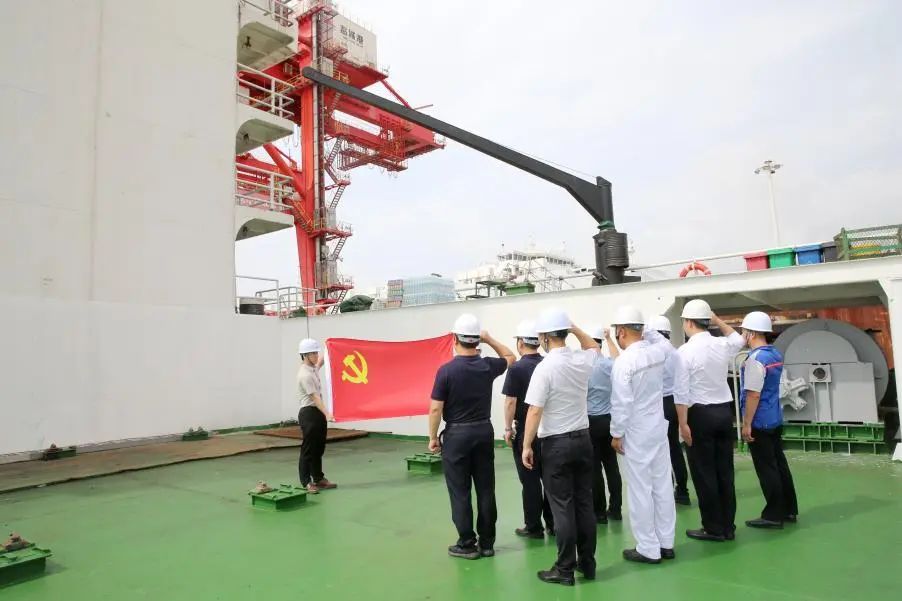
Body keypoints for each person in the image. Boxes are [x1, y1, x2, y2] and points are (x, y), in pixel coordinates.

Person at [522, 308, 598, 586]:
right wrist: (574, 327)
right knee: (584, 504)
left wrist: (526, 445)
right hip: (583, 440)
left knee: (562, 507)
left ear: (544, 338)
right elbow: (593, 346)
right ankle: (587, 563)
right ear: (565, 333)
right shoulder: (581, 360)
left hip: (556, 444)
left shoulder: (545, 368)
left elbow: (534, 411)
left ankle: (564, 568)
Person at [429, 313, 515, 560]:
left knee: (460, 491)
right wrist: (489, 339)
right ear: (476, 340)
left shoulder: (446, 371)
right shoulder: (487, 366)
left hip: (457, 435)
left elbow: (436, 409)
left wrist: (433, 437)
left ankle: (467, 543)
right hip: (483, 432)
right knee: (486, 489)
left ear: (455, 338)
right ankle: (487, 543)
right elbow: (510, 357)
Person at [609, 306, 678, 564]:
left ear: (621, 331)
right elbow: (667, 346)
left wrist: (616, 434)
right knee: (662, 486)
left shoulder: (624, 362)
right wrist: (646, 330)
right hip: (658, 428)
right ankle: (666, 542)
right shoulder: (657, 353)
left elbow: (621, 403)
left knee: (640, 490)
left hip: (636, 432)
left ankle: (648, 548)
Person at [674, 299, 745, 542]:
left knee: (704, 474)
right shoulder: (721, 344)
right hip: (724, 413)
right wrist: (717, 320)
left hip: (700, 416)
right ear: (707, 321)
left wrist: (683, 423)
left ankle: (713, 528)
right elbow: (739, 339)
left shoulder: (684, 352)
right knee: (725, 472)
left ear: (688, 322)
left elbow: (681, 392)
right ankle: (728, 526)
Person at [739, 311, 799, 529]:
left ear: (752, 333)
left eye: (744, 331)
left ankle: (773, 515)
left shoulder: (755, 360)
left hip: (759, 421)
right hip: (774, 418)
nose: (742, 335)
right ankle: (789, 509)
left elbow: (753, 394)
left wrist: (747, 424)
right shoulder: (774, 354)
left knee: (767, 469)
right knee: (780, 466)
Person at [502, 320, 554, 538]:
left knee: (530, 480)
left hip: (526, 431)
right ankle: (553, 524)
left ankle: (533, 526)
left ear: (521, 342)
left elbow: (510, 402)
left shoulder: (516, 369)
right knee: (550, 479)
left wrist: (507, 428)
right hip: (548, 430)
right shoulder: (547, 364)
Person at [649, 315, 691, 505]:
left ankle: (665, 490)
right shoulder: (675, 351)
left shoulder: (653, 352)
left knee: (661, 451)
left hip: (660, 404)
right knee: (675, 447)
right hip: (676, 402)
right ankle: (682, 490)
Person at [586, 326, 623, 524]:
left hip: (590, 422)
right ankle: (615, 509)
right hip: (609, 420)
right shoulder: (609, 364)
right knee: (611, 466)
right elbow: (619, 360)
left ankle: (599, 512)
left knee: (594, 468)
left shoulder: (583, 366)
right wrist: (610, 339)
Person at [296, 338, 337, 494]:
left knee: (319, 448)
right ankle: (306, 482)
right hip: (309, 414)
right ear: (305, 355)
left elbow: (319, 364)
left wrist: (329, 348)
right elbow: (315, 397)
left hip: (317, 413)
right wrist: (327, 414)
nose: (316, 355)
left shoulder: (312, 368)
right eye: (313, 353)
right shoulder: (304, 375)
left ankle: (318, 478)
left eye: (316, 352)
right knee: (308, 449)